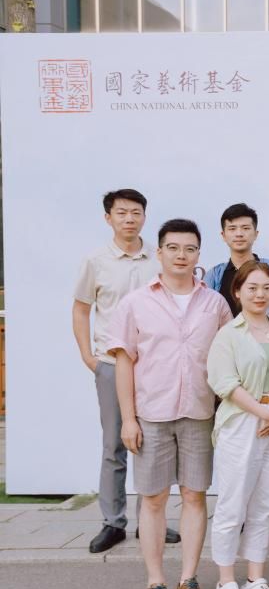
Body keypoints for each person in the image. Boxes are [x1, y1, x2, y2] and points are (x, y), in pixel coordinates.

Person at [107, 218, 233, 589]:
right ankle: (156, 583)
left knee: (195, 496)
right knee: (153, 499)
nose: (182, 255)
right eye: (174, 248)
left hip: (200, 413)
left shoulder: (215, 304)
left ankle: (189, 580)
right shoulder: (135, 303)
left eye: (190, 249)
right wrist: (128, 419)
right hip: (152, 414)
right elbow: (124, 362)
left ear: (199, 254)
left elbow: (228, 359)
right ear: (159, 252)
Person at [72, 189, 177, 554]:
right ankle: (113, 522)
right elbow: (81, 309)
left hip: (154, 367)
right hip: (112, 364)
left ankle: (152, 520)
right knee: (114, 444)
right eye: (121, 212)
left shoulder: (159, 258)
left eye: (136, 212)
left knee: (154, 444)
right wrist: (89, 356)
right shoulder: (96, 261)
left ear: (144, 217)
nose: (129, 218)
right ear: (108, 218)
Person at [206, 263, 269, 589]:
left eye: (266, 288)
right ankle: (226, 582)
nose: (260, 295)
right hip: (243, 423)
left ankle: (255, 579)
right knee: (233, 505)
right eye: (252, 288)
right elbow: (225, 383)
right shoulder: (228, 334)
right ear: (237, 292)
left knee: (268, 505)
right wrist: (264, 413)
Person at [202, 203, 269, 313]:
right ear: (223, 235)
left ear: (256, 234)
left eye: (245, 228)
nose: (239, 234)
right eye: (232, 229)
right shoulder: (214, 276)